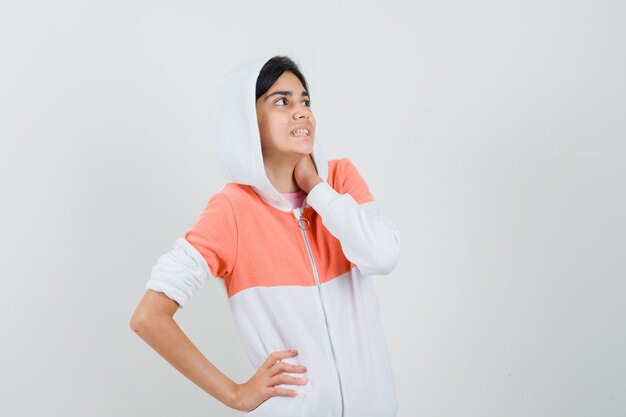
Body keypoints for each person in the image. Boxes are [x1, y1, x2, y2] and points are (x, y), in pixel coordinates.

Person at [129, 54, 401, 417]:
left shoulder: (339, 181)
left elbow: (383, 256)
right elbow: (149, 317)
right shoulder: (233, 210)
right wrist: (236, 394)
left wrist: (315, 187)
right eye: (281, 101)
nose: (301, 111)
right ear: (247, 119)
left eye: (305, 101)